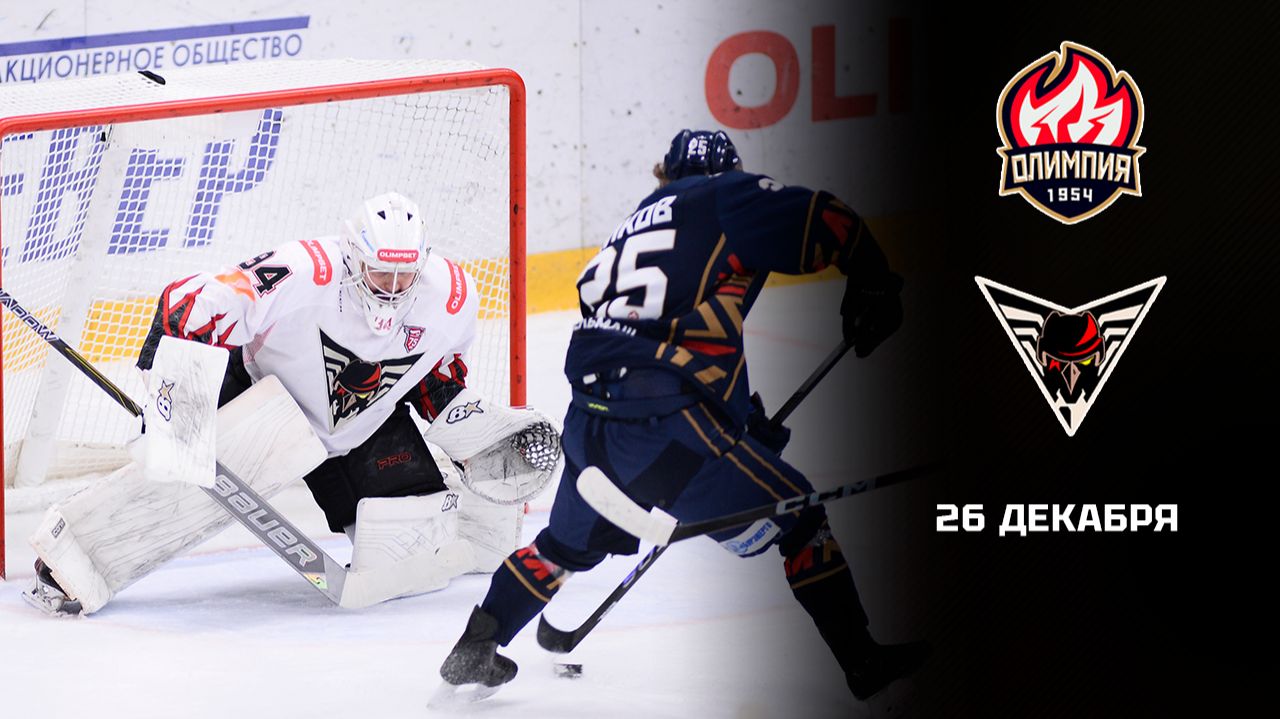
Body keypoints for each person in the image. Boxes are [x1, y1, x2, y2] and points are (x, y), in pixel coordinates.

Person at [437, 130, 927, 702]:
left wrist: (738, 427)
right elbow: (827, 217)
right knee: (800, 519)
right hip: (664, 424)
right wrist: (874, 281)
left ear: (664, 175)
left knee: (562, 548)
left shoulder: (631, 228)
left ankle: (479, 641)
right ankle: (863, 662)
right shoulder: (724, 196)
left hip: (591, 424)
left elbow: (664, 336)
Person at [25, 191, 559, 615]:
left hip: (363, 425)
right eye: (381, 272)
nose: (394, 289)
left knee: (412, 550)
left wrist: (471, 431)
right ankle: (71, 560)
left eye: (405, 275)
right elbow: (190, 303)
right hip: (265, 401)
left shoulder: (451, 297)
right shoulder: (304, 271)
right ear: (353, 257)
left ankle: (454, 520)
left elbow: (434, 376)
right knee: (177, 480)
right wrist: (177, 408)